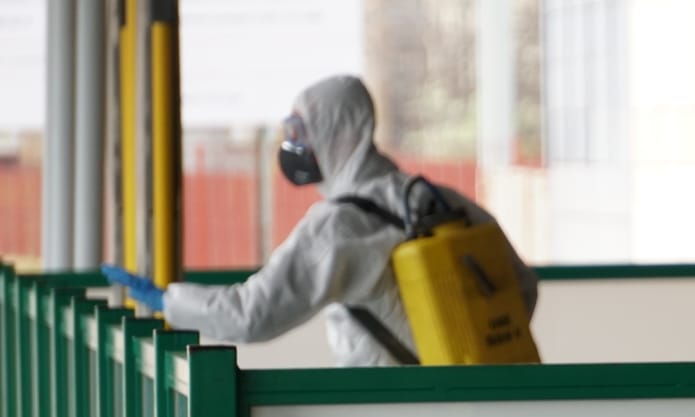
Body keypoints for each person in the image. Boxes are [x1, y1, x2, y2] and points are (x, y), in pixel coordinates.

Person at [102, 74, 538, 366]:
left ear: (336, 130)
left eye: (300, 131)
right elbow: (522, 286)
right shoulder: (444, 200)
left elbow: (251, 314)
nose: (294, 145)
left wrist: (170, 303)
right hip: (484, 398)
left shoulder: (337, 227)